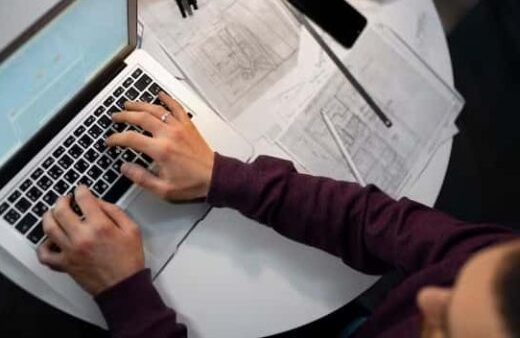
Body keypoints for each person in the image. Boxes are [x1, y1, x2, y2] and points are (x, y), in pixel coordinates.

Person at [37, 93, 519, 338]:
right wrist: (219, 176)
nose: (426, 298)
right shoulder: (500, 266)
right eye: (457, 283)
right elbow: (369, 221)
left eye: (447, 329)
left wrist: (125, 296)